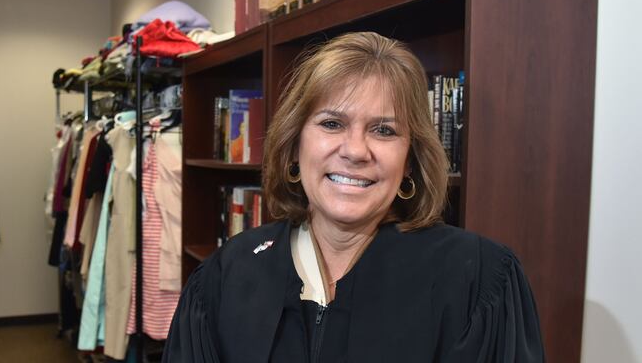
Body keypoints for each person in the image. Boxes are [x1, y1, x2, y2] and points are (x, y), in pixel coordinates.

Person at [163, 32, 544, 362]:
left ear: (410, 160)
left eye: (383, 130)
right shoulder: (225, 277)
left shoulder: (478, 281)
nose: (356, 151)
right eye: (332, 123)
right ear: (295, 145)